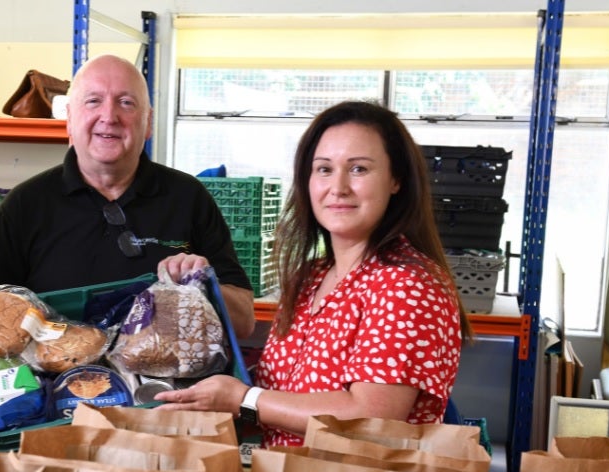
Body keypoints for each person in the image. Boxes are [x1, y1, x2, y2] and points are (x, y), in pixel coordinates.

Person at [156, 101, 471, 447]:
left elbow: (370, 416)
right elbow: (284, 394)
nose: (338, 187)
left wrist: (244, 399)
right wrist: (197, 293)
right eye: (324, 169)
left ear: (397, 179)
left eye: (359, 169)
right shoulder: (312, 276)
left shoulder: (406, 284)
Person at [0, 54, 255, 339]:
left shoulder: (188, 197)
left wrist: (203, 286)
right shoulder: (26, 205)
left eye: (126, 103)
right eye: (93, 101)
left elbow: (244, 323)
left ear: (148, 123)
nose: (109, 116)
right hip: (53, 384)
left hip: (164, 386)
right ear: (70, 120)